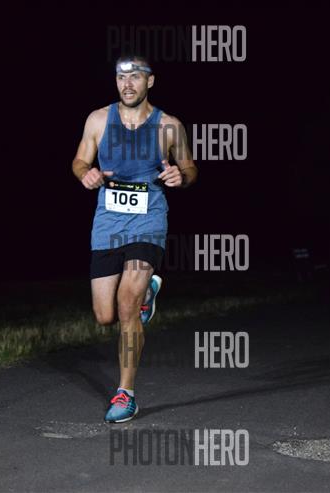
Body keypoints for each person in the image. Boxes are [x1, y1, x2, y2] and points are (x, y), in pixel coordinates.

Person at [71, 55, 197, 422]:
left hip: (148, 219)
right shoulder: (98, 119)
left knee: (127, 303)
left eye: (135, 77)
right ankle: (150, 292)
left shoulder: (169, 126)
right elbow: (79, 161)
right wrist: (86, 173)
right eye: (121, 77)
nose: (127, 84)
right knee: (104, 315)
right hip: (107, 222)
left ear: (150, 81)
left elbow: (190, 167)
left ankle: (125, 395)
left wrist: (181, 177)